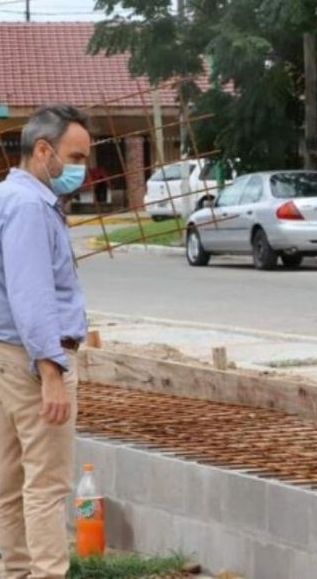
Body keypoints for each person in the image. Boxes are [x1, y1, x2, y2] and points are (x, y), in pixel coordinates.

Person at [0, 105, 90, 577]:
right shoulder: (31, 207)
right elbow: (31, 295)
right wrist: (51, 372)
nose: (81, 169)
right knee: (47, 486)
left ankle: (15, 572)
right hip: (33, 363)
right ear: (42, 150)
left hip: (8, 357)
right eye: (74, 157)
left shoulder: (7, 199)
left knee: (11, 486)